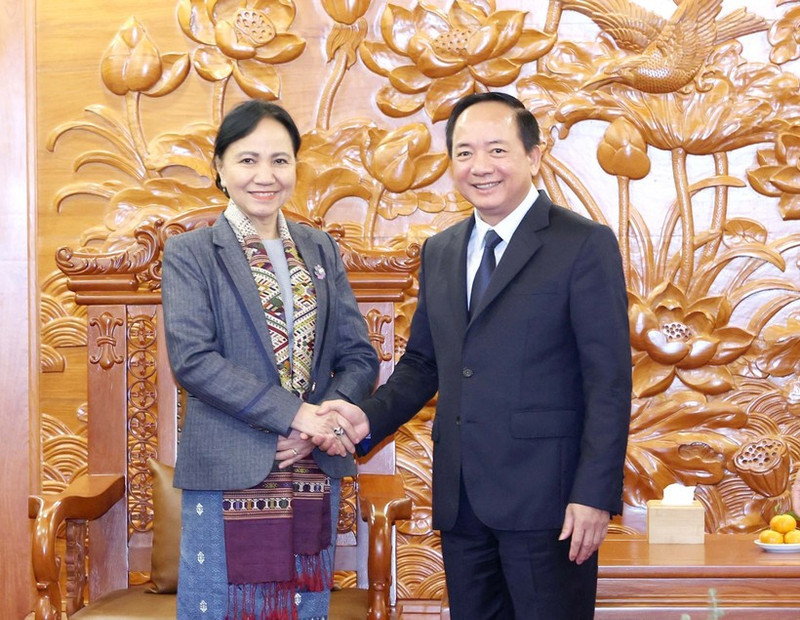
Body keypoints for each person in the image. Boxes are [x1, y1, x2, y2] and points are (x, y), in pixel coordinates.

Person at [319, 92, 632, 619]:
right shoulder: (441, 250)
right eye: (464, 153)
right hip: (462, 499)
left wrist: (595, 495)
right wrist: (362, 420)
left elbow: (609, 381)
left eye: (497, 150)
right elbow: (424, 364)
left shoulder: (582, 244)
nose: (479, 167)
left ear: (534, 157)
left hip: (550, 504)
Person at [161, 99, 379, 619]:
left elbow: (358, 356)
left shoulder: (319, 247)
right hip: (227, 466)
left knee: (304, 607)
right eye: (247, 159)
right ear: (219, 167)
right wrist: (294, 415)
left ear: (296, 168)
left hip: (310, 465)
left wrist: (319, 425)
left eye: (280, 160)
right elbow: (193, 359)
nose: (265, 175)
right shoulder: (190, 252)